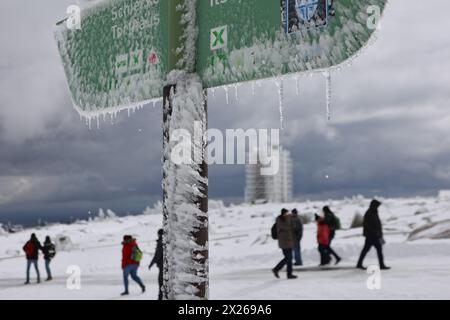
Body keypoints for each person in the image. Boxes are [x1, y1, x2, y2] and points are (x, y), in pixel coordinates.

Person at [356, 200, 391, 270]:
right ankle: (381, 265)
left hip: (373, 235)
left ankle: (359, 264)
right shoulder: (370, 213)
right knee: (378, 250)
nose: (378, 207)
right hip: (372, 236)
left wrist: (379, 234)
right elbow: (368, 225)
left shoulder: (373, 212)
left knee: (366, 249)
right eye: (377, 205)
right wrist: (376, 233)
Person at [272, 209, 297, 279]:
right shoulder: (280, 220)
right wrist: (291, 219)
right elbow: (287, 228)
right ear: (283, 214)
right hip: (284, 242)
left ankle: (289, 274)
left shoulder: (287, 219)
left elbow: (293, 227)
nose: (288, 214)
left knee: (289, 258)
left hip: (289, 241)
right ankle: (276, 269)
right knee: (288, 258)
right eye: (286, 213)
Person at [149, 229, 164, 300]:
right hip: (164, 266)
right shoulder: (165, 241)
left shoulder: (161, 242)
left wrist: (151, 264)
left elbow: (157, 255)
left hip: (162, 266)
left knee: (161, 284)